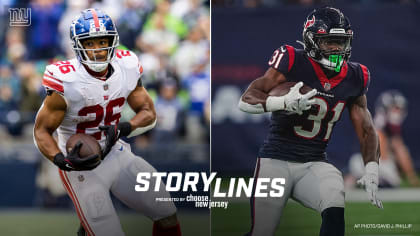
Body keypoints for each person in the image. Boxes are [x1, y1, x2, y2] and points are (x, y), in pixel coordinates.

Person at [33, 9, 181, 236]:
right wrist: (61, 160)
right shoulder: (66, 79)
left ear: (114, 40)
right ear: (78, 45)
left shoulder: (127, 65)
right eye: (90, 43)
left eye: (103, 41)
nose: (99, 49)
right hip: (80, 165)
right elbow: (42, 130)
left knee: (166, 211)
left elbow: (148, 112)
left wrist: (125, 127)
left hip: (116, 152)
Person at [238, 7, 382, 236]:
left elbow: (366, 129)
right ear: (311, 40)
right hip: (275, 160)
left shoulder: (356, 75)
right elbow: (246, 101)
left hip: (314, 162)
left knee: (335, 201)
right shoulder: (292, 59)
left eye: (341, 42)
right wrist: (282, 103)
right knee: (262, 231)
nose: (336, 48)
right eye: (329, 41)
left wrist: (372, 169)